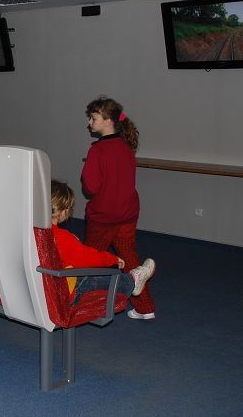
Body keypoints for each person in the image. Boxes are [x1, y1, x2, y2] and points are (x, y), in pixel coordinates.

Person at [81, 95, 155, 320]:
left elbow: (91, 187)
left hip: (104, 216)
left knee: (89, 262)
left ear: (108, 120)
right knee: (129, 258)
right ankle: (145, 308)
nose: (89, 123)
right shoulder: (126, 146)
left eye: (93, 118)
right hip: (127, 213)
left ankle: (85, 307)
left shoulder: (97, 151)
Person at [50, 180, 154, 306]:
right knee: (89, 280)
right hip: (61, 294)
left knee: (79, 273)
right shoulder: (62, 237)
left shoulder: (31, 232)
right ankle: (132, 281)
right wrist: (113, 259)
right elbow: (89, 259)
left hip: (40, 291)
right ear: (62, 211)